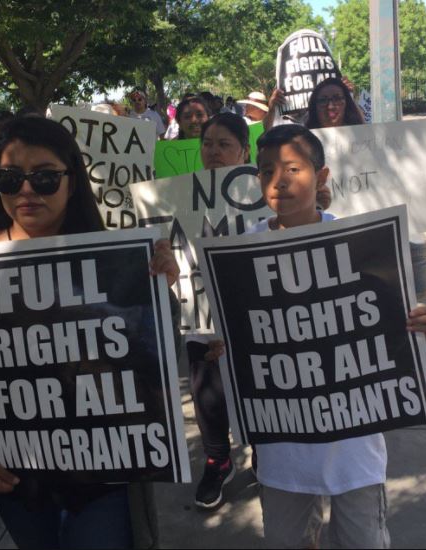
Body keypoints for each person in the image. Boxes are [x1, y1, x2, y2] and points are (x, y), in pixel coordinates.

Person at [0, 115, 178, 549]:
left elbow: (163, 361)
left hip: (107, 475)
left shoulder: (115, 260)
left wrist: (162, 295)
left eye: (44, 178)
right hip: (17, 480)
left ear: (72, 180)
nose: (26, 190)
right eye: (10, 178)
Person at [237, 124, 426, 548]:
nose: (280, 180)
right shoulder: (241, 250)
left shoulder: (359, 243)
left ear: (322, 177)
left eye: (293, 168)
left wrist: (417, 327)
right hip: (282, 450)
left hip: (354, 449)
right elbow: (230, 331)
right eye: (267, 170)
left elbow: (388, 326)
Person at [187, 112, 252, 509]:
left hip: (250, 319)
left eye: (224, 143)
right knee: (207, 395)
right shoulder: (180, 197)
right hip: (200, 319)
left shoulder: (263, 194)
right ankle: (218, 460)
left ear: (244, 151)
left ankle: (264, 449)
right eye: (207, 143)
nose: (213, 150)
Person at [267, 76, 365, 212]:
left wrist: (352, 97)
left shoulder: (361, 138)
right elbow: (269, 148)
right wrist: (272, 110)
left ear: (346, 102)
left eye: (337, 98)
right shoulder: (302, 141)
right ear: (314, 106)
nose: (331, 105)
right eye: (323, 100)